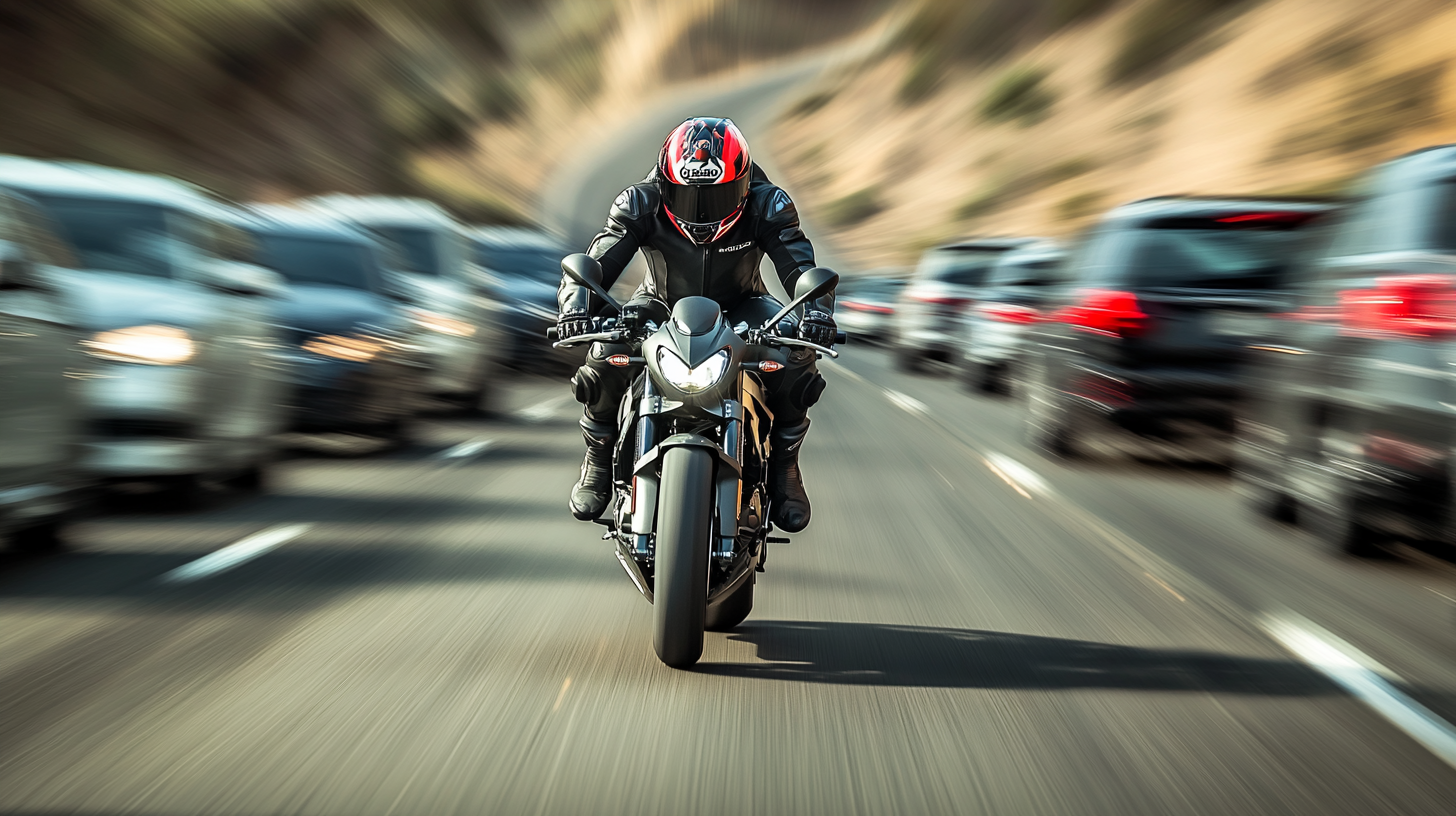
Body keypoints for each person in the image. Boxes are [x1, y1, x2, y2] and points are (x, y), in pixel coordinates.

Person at [557, 116, 836, 533]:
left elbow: (799, 269)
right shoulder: (638, 202)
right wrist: (576, 304)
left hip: (745, 305)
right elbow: (596, 263)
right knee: (603, 356)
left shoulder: (769, 204)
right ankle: (597, 459)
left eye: (719, 195)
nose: (703, 210)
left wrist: (815, 312)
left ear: (742, 184)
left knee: (796, 359)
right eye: (689, 197)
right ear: (667, 184)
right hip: (659, 304)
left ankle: (785, 468)